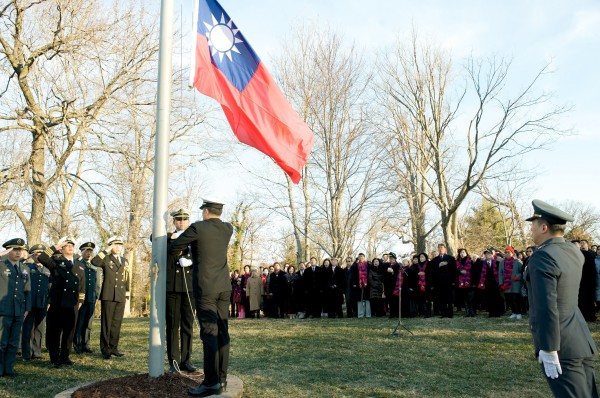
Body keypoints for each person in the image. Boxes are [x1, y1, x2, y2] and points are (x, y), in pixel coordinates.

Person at [525, 199, 598, 397]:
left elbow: (547, 306)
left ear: (544, 227)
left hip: (560, 346)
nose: (531, 229)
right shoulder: (574, 251)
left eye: (533, 225)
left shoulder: (542, 256)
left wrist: (548, 348)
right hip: (580, 339)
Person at [169, 198, 233, 396]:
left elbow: (175, 246)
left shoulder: (197, 228)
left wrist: (186, 248)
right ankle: (222, 379)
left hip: (206, 288)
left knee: (209, 333)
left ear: (205, 211)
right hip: (223, 286)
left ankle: (211, 382)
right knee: (223, 332)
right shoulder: (227, 228)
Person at [37, 237, 85, 368]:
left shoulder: (79, 265)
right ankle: (55, 358)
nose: (70, 247)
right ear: (62, 248)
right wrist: (55, 246)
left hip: (72, 304)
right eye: (67, 245)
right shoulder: (56, 262)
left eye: (72, 245)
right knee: (55, 332)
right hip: (57, 303)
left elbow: (82, 285)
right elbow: (41, 257)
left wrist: (80, 300)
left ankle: (65, 357)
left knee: (69, 332)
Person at [164, 209, 196, 372]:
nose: (181, 222)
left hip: (189, 288)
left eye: (184, 219)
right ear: (174, 222)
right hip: (173, 288)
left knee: (187, 325)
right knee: (172, 325)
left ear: (188, 221)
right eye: (178, 220)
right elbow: (152, 238)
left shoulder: (194, 238)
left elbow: (203, 255)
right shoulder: (169, 238)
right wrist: (171, 237)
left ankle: (186, 360)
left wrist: (191, 261)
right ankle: (174, 362)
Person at [92, 236, 130, 359]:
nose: (118, 247)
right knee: (106, 323)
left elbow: (126, 277)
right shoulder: (106, 259)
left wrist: (127, 292)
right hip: (108, 294)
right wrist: (106, 250)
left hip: (120, 294)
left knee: (116, 323)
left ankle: (114, 347)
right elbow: (94, 262)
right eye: (115, 245)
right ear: (110, 246)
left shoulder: (124, 260)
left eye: (120, 245)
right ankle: (105, 349)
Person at [0, 239, 31, 377]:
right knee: (2, 341)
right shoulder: (1, 265)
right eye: (15, 249)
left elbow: (27, 290)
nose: (18, 252)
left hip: (19, 309)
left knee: (13, 342)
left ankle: (9, 369)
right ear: (8, 251)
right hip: (3, 309)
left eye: (20, 250)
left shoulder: (25, 268)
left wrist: (27, 308)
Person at [20, 244, 50, 361]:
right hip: (29, 303)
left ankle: (37, 352)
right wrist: (26, 257)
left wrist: (49, 301)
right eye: (36, 254)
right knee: (27, 329)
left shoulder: (47, 269)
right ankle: (25, 354)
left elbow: (50, 286)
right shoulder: (26, 266)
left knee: (39, 328)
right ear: (32, 255)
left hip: (42, 302)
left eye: (41, 254)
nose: (38, 256)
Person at [73, 242, 101, 354]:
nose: (89, 253)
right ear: (82, 252)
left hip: (91, 299)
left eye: (90, 251)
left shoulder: (94, 266)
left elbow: (97, 283)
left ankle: (86, 344)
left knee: (88, 324)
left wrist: (97, 297)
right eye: (86, 251)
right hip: (81, 299)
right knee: (79, 323)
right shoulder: (77, 264)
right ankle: (77, 344)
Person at [501, 246, 524, 320]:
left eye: (509, 252)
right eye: (506, 252)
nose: (507, 254)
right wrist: (501, 283)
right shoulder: (502, 262)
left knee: (516, 298)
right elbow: (500, 273)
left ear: (512, 253)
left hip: (515, 284)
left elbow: (523, 272)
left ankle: (518, 313)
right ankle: (513, 312)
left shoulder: (517, 261)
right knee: (509, 299)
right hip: (506, 284)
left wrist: (518, 276)